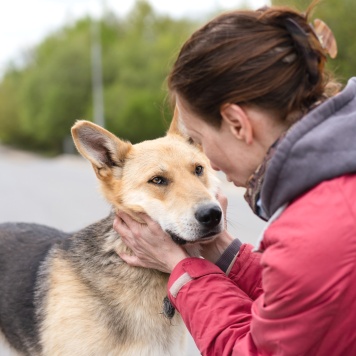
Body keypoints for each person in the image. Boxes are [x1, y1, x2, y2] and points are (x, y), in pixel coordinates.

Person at [113, 2, 356, 355]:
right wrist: (225, 253)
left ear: (238, 124)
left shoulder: (317, 229)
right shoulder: (335, 189)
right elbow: (309, 306)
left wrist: (181, 268)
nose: (207, 159)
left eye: (199, 140)